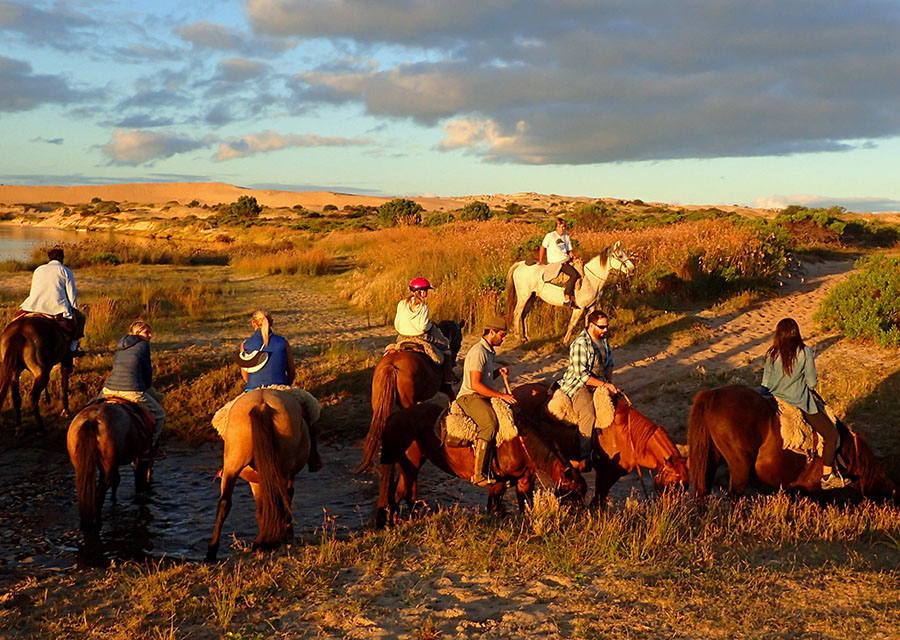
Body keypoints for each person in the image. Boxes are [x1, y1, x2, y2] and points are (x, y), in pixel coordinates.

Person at [762, 318, 850, 490]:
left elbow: (765, 384)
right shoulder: (805, 352)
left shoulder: (771, 353)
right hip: (799, 401)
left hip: (774, 399)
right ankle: (827, 477)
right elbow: (811, 383)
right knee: (831, 435)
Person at [239, 310, 322, 471]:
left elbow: (245, 376)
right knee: (310, 412)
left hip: (252, 390)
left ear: (253, 324)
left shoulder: (245, 344)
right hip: (281, 388)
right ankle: (314, 457)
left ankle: (229, 463)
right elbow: (291, 372)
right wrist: (286, 387)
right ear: (271, 322)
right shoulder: (282, 342)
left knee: (225, 419)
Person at [456, 316, 517, 487]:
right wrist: (501, 395)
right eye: (502, 335)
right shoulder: (478, 352)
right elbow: (475, 384)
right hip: (470, 396)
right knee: (489, 424)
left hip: (481, 395)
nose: (504, 339)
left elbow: (484, 378)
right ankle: (478, 474)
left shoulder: (490, 351)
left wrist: (497, 372)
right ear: (492, 332)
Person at [557, 310, 620, 466]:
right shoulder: (580, 344)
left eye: (607, 326)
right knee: (588, 414)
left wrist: (608, 383)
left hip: (599, 382)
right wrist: (606, 385)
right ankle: (584, 456)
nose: (605, 330)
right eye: (602, 327)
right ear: (591, 325)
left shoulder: (603, 341)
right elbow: (582, 376)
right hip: (578, 386)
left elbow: (609, 364)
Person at [98, 320, 166, 460]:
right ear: (136, 333)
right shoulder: (143, 345)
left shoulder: (120, 345)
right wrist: (147, 387)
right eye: (147, 332)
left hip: (109, 389)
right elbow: (147, 371)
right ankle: (149, 448)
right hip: (131, 390)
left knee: (93, 406)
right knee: (160, 415)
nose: (150, 335)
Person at [19, 247, 85, 356]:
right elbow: (71, 293)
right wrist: (74, 308)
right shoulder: (65, 271)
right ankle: (73, 349)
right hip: (56, 307)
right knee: (81, 319)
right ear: (62, 259)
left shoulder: (39, 269)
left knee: (16, 318)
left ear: (49, 258)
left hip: (33, 305)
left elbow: (33, 289)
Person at [394, 277, 455, 384]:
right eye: (426, 290)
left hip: (402, 336)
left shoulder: (402, 304)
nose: (427, 293)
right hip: (421, 336)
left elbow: (397, 323)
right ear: (420, 291)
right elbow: (422, 327)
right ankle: (447, 379)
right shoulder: (423, 307)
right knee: (445, 345)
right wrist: (430, 326)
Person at [539, 217, 580, 309]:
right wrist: (540, 260)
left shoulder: (566, 237)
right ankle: (567, 298)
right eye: (560, 227)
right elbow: (543, 248)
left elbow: (569, 251)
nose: (562, 229)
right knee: (574, 275)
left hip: (566, 259)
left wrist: (575, 257)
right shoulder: (550, 236)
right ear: (556, 227)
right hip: (557, 262)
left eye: (564, 227)